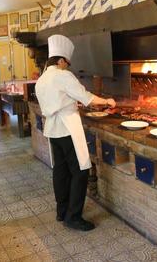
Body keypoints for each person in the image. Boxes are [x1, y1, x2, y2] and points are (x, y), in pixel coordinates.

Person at [35, 35, 116, 231]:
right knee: (80, 171)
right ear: (61, 60)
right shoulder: (63, 75)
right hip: (68, 128)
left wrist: (71, 102)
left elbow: (60, 98)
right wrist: (107, 101)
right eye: (67, 63)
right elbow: (86, 96)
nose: (68, 66)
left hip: (53, 129)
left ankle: (62, 212)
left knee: (61, 172)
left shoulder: (43, 78)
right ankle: (73, 217)